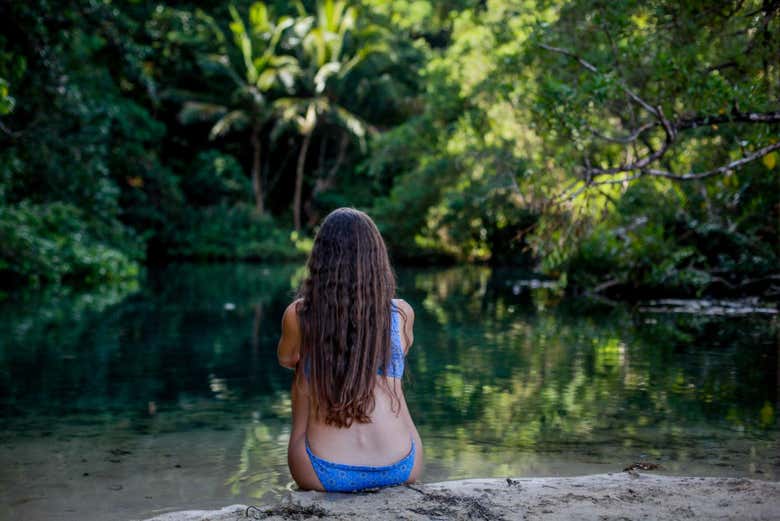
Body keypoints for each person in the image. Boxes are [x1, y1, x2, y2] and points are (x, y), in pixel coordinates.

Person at [276, 207, 424, 492]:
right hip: (403, 467)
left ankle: (319, 447)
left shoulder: (299, 314)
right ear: (377, 259)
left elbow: (286, 358)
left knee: (302, 370)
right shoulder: (402, 313)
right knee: (389, 369)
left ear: (320, 261)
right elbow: (399, 352)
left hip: (323, 473)